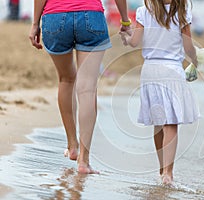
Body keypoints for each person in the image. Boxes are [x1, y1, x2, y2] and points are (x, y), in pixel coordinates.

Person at [29, 0, 130, 174]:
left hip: (55, 16)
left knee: (66, 79)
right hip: (91, 16)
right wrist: (125, 20)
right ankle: (84, 160)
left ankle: (72, 145)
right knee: (87, 89)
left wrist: (34, 24)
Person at [120, 0, 200, 185]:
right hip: (172, 69)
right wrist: (195, 60)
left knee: (158, 122)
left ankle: (162, 168)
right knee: (171, 123)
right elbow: (188, 46)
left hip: (150, 70)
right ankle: (168, 173)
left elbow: (134, 42)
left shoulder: (144, 11)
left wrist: (126, 37)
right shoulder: (182, 11)